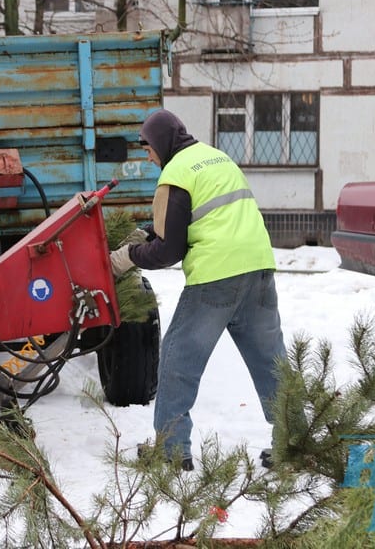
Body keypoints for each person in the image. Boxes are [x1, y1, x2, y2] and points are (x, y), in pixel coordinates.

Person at [109, 109, 285, 471]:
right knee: (272, 362)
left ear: (160, 143)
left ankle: (172, 450)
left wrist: (128, 255)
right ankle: (293, 441)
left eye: (148, 148)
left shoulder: (176, 174)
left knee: (178, 359)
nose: (147, 156)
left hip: (217, 276)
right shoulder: (216, 157)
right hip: (259, 269)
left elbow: (169, 251)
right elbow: (196, 215)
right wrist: (144, 232)